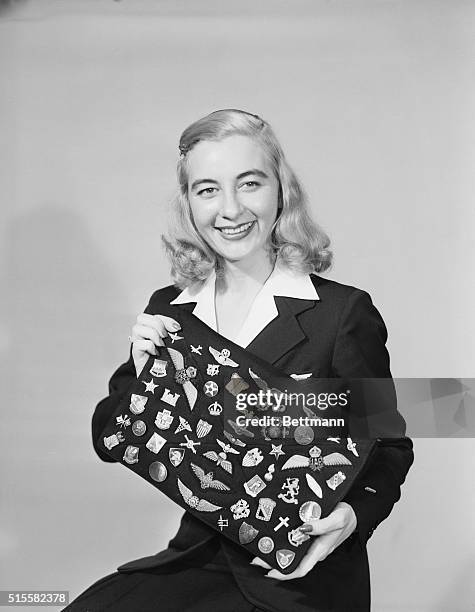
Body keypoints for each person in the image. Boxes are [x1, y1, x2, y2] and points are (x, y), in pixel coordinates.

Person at [64, 109, 414, 612]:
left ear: (280, 190)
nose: (230, 209)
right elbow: (109, 438)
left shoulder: (342, 312)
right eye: (208, 189)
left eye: (249, 183)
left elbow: (393, 442)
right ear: (188, 202)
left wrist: (353, 517)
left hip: (299, 580)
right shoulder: (170, 308)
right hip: (196, 563)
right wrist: (144, 380)